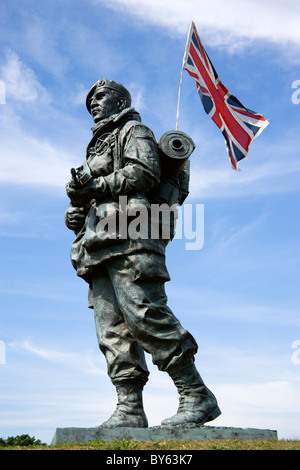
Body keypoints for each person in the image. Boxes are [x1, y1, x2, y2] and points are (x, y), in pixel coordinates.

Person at [65, 79, 221, 428]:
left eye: (100, 95)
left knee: (144, 315)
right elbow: (92, 199)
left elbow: (145, 174)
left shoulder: (134, 130)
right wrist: (76, 212)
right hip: (97, 244)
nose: (93, 102)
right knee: (113, 331)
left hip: (133, 238)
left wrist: (96, 186)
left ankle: (196, 394)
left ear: (120, 99)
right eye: (90, 99)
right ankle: (129, 407)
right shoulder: (96, 146)